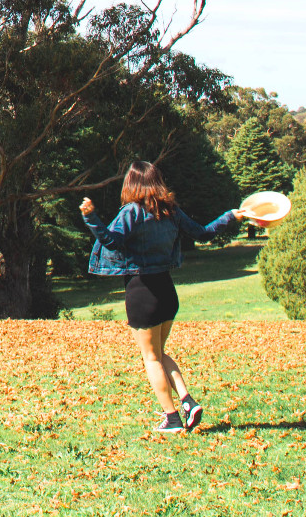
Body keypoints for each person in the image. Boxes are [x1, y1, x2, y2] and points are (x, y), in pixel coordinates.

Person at [80, 162, 244, 434]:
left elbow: (111, 242)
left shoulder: (131, 212)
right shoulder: (171, 212)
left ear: (131, 185)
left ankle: (173, 418)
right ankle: (187, 401)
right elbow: (203, 233)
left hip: (141, 292)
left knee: (151, 358)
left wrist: (91, 217)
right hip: (167, 292)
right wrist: (230, 216)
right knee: (159, 353)